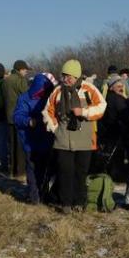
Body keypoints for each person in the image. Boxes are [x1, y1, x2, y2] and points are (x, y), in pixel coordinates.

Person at [43, 59, 107, 214]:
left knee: (80, 172)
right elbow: (47, 111)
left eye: (70, 76)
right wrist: (55, 128)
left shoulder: (88, 89)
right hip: (63, 139)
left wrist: (83, 112)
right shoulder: (57, 91)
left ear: (77, 76)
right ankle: (65, 203)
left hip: (85, 139)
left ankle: (79, 202)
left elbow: (101, 106)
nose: (66, 79)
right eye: (64, 75)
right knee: (65, 172)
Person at [14, 72, 57, 204]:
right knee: (32, 170)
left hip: (46, 139)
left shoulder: (50, 98)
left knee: (45, 169)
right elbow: (17, 117)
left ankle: (43, 193)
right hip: (30, 140)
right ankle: (34, 196)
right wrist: (29, 121)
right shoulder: (24, 98)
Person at [99, 77, 129, 181]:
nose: (121, 88)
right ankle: (118, 175)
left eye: (122, 86)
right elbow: (128, 114)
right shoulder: (115, 99)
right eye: (118, 86)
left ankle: (116, 173)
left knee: (116, 155)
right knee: (118, 156)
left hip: (113, 131)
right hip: (118, 131)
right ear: (112, 88)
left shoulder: (114, 97)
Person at [3, 60, 30, 178]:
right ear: (19, 69)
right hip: (19, 117)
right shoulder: (20, 80)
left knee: (12, 145)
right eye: (25, 70)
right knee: (20, 146)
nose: (26, 72)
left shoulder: (6, 80)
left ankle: (12, 170)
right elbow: (27, 95)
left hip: (9, 116)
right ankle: (20, 171)